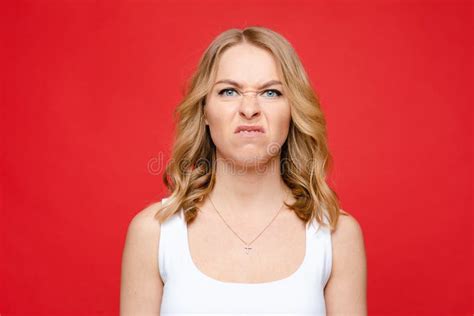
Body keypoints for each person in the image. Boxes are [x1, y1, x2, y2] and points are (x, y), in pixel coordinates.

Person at [120, 26, 367, 315]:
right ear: (204, 111)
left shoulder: (336, 236)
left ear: (293, 110)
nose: (249, 109)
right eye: (229, 91)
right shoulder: (153, 233)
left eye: (271, 92)